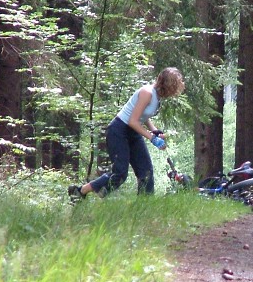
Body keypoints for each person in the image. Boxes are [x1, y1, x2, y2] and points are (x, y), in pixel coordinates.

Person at [68, 67, 185, 201]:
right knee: (120, 174)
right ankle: (80, 191)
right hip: (119, 130)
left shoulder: (157, 97)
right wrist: (152, 138)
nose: (173, 92)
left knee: (146, 172)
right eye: (173, 87)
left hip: (133, 132)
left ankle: (144, 208)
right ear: (166, 85)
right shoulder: (147, 93)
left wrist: (153, 130)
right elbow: (132, 121)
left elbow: (143, 116)